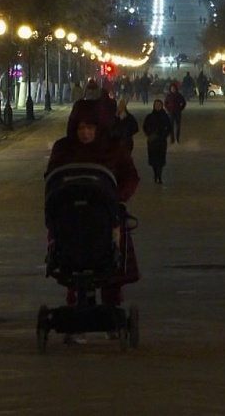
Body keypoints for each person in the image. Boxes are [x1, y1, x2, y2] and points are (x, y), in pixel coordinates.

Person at [46, 99, 140, 308]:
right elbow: (52, 176)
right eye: (80, 128)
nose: (85, 133)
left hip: (106, 213)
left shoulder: (114, 147)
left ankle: (112, 304)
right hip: (70, 214)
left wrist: (119, 196)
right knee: (70, 257)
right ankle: (73, 305)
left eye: (89, 127)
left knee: (111, 261)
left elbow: (130, 176)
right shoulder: (64, 149)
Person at [142, 99, 174, 184]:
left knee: (160, 159)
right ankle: (155, 174)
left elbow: (169, 127)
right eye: (155, 105)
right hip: (152, 141)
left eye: (158, 105)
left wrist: (165, 135)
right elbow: (145, 127)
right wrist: (149, 134)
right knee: (153, 159)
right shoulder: (150, 116)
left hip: (161, 141)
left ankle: (159, 176)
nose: (157, 106)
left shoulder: (165, 116)